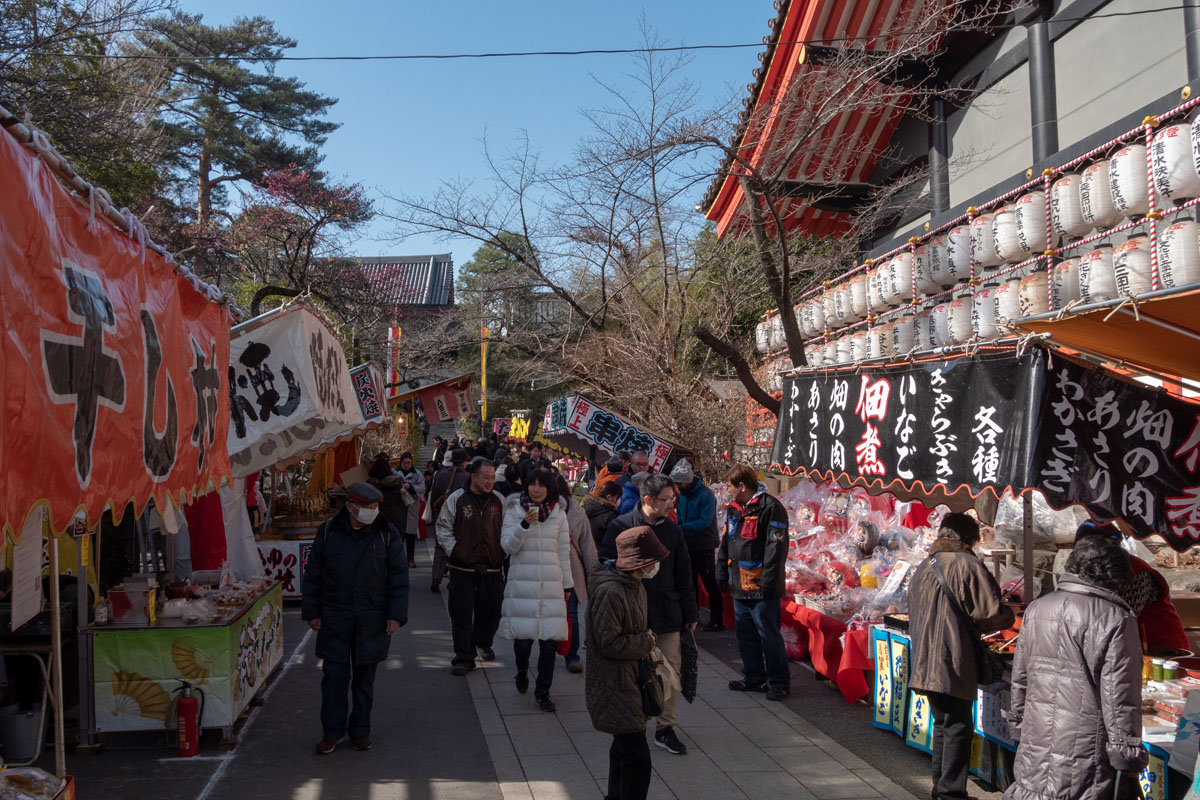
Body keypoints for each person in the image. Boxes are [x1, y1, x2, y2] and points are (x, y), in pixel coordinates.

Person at [1004, 535, 1147, 800]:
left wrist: (1019, 726)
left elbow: (1020, 677)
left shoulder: (1037, 608)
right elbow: (1120, 699)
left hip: (1036, 742)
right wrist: (1127, 758)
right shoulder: (1116, 619)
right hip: (1085, 753)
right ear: (1113, 574)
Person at [908, 513, 1014, 800]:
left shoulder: (924, 566)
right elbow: (989, 613)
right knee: (957, 726)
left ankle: (941, 789)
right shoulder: (968, 565)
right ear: (969, 538)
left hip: (924, 657)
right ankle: (951, 793)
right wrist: (1011, 613)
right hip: (952, 657)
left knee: (943, 723)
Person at [302, 482, 409, 754]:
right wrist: (312, 611)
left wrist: (395, 616)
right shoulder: (328, 531)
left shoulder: (387, 533)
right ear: (351, 506)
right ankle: (332, 732)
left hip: (371, 616)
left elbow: (399, 578)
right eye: (367, 507)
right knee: (334, 676)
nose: (373, 511)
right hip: (335, 615)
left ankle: (360, 730)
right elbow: (313, 574)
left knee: (364, 679)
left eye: (375, 506)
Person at [600, 475, 697, 757]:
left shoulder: (673, 531)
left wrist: (690, 612)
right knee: (634, 674)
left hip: (667, 612)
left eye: (673, 498)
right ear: (648, 500)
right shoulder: (620, 526)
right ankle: (634, 724)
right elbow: (606, 566)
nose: (671, 504)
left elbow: (684, 573)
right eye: (667, 499)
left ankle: (666, 727)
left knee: (669, 672)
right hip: (632, 614)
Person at [586, 526, 670, 800]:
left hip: (631, 678)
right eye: (653, 560)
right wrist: (646, 641)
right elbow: (607, 643)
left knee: (624, 750)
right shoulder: (611, 591)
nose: (656, 566)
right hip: (615, 683)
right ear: (641, 562)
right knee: (636, 757)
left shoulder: (634, 586)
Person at [498, 469, 573, 711]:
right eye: (532, 484)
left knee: (549, 644)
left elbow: (564, 551)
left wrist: (568, 583)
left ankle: (543, 692)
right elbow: (507, 547)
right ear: (526, 486)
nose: (536, 489)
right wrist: (523, 525)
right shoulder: (514, 510)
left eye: (542, 485)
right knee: (523, 642)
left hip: (551, 584)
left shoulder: (559, 515)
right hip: (523, 583)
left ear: (550, 488)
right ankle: (521, 671)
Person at [715, 465, 790, 699]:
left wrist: (768, 582)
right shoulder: (734, 509)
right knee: (745, 634)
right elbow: (727, 541)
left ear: (742, 486)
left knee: (768, 635)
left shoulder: (771, 507)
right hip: (739, 584)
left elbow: (776, 549)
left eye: (729, 486)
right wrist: (720, 570)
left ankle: (778, 682)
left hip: (762, 587)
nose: (726, 490)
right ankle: (754, 676)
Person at [436, 458, 506, 675]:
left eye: (493, 477)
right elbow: (443, 528)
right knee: (461, 614)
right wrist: (455, 551)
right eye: (486, 477)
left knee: (492, 612)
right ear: (473, 476)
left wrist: (503, 552)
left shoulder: (499, 500)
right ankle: (464, 657)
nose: (490, 481)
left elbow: (508, 530)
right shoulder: (456, 499)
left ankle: (482, 642)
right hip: (462, 569)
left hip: (492, 569)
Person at [1074, 521, 1188, 655]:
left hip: (1161, 649)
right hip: (1127, 647)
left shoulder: (1135, 570)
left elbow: (1124, 616)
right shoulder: (1087, 568)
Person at [671, 460, 723, 633]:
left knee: (709, 582)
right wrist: (679, 527)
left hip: (704, 544)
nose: (678, 486)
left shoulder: (706, 495)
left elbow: (705, 522)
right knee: (689, 581)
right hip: (688, 542)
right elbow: (680, 516)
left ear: (688, 480)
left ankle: (717, 619)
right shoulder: (683, 494)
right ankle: (693, 616)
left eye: (680, 483)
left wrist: (680, 528)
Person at [559, 474, 599, 674]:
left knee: (571, 613)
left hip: (572, 570)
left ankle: (572, 655)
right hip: (546, 569)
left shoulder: (578, 513)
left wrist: (593, 575)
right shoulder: (536, 511)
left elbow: (587, 546)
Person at [427, 448, 471, 592]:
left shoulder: (440, 474)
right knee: (456, 546)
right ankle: (453, 578)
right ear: (464, 462)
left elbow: (433, 495)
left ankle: (435, 578)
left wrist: (434, 514)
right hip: (459, 517)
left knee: (440, 547)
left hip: (441, 514)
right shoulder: (467, 477)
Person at [393, 452, 425, 568]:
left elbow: (422, 488)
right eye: (404, 463)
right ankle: (399, 559)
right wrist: (399, 489)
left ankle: (410, 559)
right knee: (398, 532)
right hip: (398, 504)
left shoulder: (417, 474)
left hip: (412, 505)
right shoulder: (394, 472)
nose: (407, 465)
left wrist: (410, 487)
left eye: (409, 463)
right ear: (401, 462)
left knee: (410, 533)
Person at [584, 482, 622, 550]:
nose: (619, 501)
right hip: (601, 554)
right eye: (618, 497)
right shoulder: (609, 516)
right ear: (609, 497)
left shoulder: (585, 508)